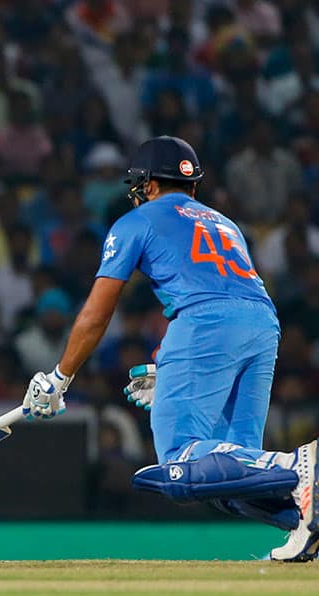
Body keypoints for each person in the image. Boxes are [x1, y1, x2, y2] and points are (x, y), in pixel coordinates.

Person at [19, 136, 319, 562]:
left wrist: (59, 377)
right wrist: (170, 371)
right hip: (262, 324)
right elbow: (221, 291)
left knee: (181, 463)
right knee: (235, 477)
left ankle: (301, 467)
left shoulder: (134, 222)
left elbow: (96, 314)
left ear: (148, 185)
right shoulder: (224, 222)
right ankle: (308, 519)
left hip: (206, 324)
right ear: (192, 185)